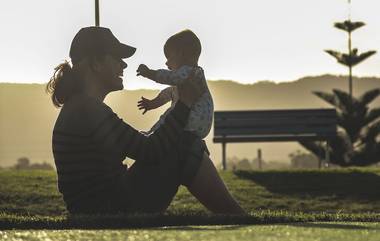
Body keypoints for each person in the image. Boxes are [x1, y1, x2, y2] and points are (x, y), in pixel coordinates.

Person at [47, 26, 245, 215]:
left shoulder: (81, 107)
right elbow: (150, 151)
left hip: (104, 204)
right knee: (185, 145)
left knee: (183, 142)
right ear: (96, 63)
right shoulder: (87, 110)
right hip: (111, 208)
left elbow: (140, 146)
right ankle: (239, 219)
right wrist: (185, 104)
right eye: (117, 58)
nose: (123, 64)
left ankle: (238, 218)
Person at [136, 29, 213, 141]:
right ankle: (151, 134)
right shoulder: (192, 76)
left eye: (169, 58)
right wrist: (153, 103)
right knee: (170, 114)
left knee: (168, 116)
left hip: (192, 120)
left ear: (181, 54)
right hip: (200, 125)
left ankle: (152, 135)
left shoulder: (190, 71)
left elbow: (170, 77)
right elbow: (169, 93)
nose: (166, 63)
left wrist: (150, 73)